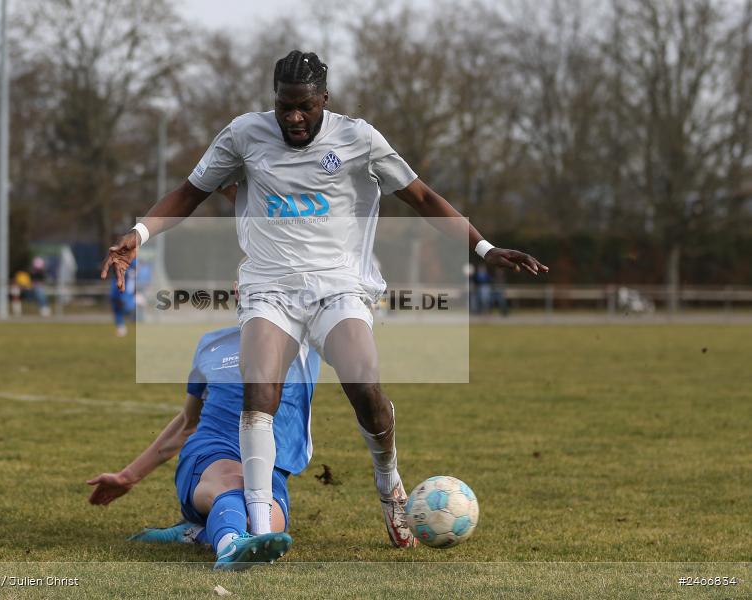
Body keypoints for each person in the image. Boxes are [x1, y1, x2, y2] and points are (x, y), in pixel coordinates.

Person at [102, 50, 548, 548]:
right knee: (259, 392)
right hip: (269, 287)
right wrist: (139, 233)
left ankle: (388, 483)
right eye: (285, 106)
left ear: (324, 100)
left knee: (364, 387)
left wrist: (484, 248)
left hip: (340, 285)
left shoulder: (358, 138)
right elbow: (190, 192)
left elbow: (421, 196)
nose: (294, 117)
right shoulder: (245, 135)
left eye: (305, 107)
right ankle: (255, 525)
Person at [87, 325, 320, 570]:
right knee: (233, 481)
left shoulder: (305, 339)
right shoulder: (212, 344)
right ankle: (229, 545)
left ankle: (196, 533)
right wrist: (128, 476)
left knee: (262, 526)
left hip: (270, 465)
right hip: (211, 452)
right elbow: (188, 421)